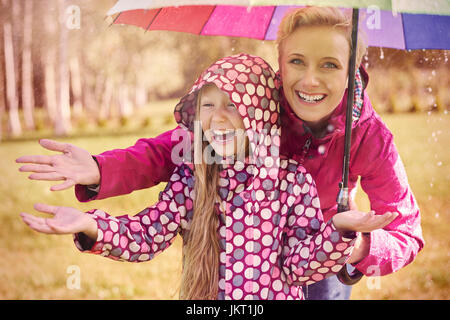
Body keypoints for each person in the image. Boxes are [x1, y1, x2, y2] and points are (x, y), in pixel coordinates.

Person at [17, 7, 423, 300]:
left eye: (331, 65)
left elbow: (405, 232)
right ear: (279, 65)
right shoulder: (253, 103)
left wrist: (352, 243)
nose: (310, 79)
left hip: (323, 252)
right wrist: (98, 172)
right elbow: (168, 152)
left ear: (352, 69)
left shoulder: (368, 138)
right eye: (297, 61)